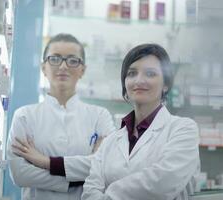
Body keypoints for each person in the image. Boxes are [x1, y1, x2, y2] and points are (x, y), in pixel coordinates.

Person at [82, 43, 200, 200]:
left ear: (165, 85)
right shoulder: (110, 141)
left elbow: (162, 182)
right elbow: (90, 190)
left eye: (150, 74)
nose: (139, 80)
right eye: (131, 73)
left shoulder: (183, 129)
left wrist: (108, 195)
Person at [7, 33, 116, 200]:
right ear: (44, 68)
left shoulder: (100, 116)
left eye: (72, 60)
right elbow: (20, 174)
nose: (63, 66)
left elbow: (106, 167)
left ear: (82, 70)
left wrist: (42, 161)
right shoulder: (24, 116)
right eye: (55, 59)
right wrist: (75, 180)